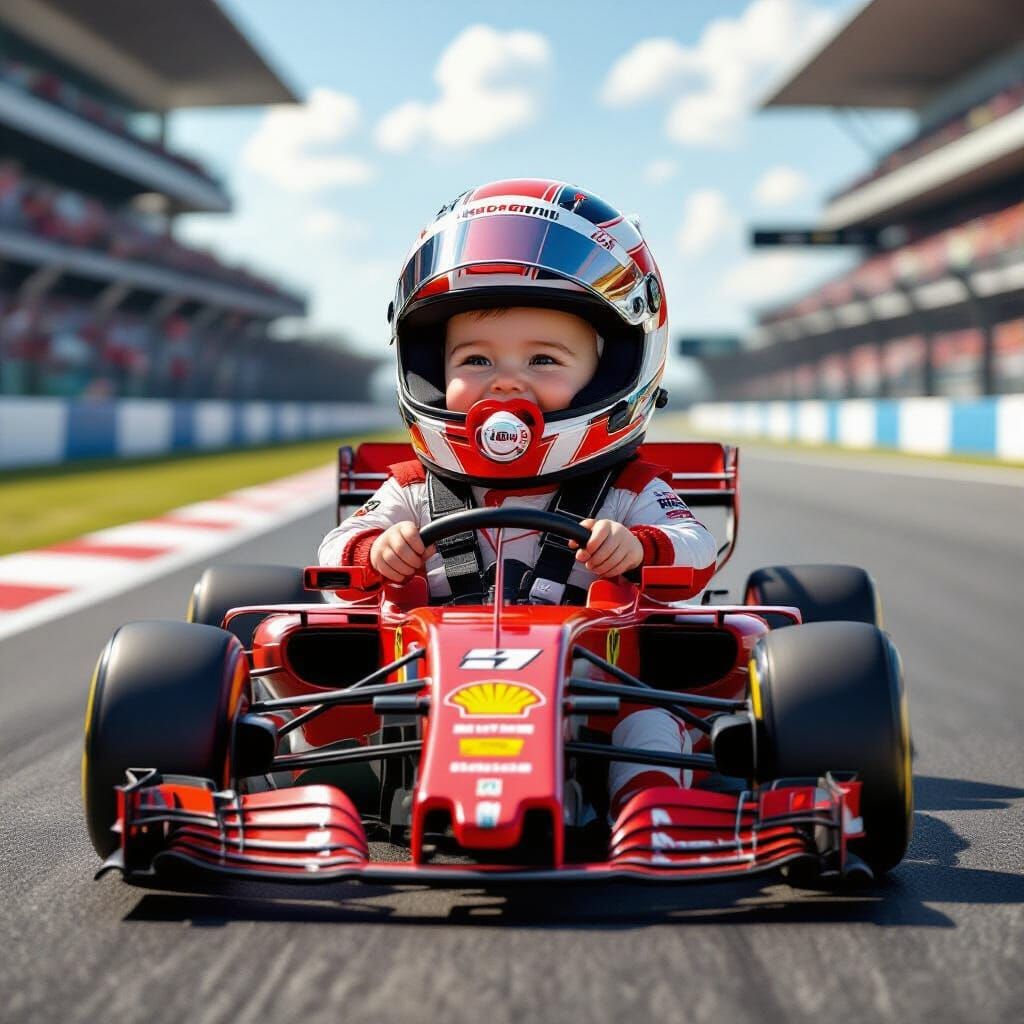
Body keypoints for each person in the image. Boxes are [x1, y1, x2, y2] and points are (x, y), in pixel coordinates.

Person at [319, 179, 717, 820]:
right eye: (474, 359)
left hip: (599, 704)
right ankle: (339, 795)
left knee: (650, 726)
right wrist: (379, 549)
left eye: (543, 359)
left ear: (617, 369)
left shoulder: (630, 490)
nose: (506, 381)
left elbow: (697, 553)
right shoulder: (412, 487)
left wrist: (636, 548)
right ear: (426, 365)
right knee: (318, 702)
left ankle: (648, 815)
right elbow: (337, 556)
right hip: (418, 702)